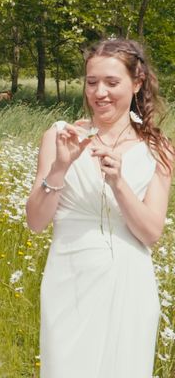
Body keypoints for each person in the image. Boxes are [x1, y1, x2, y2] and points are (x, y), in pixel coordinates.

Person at [25, 38, 173, 377]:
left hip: (130, 285)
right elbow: (35, 221)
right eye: (92, 82)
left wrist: (119, 183)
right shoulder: (58, 136)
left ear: (136, 83)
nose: (99, 92)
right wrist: (59, 168)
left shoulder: (159, 148)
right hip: (69, 282)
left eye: (111, 82)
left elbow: (151, 233)